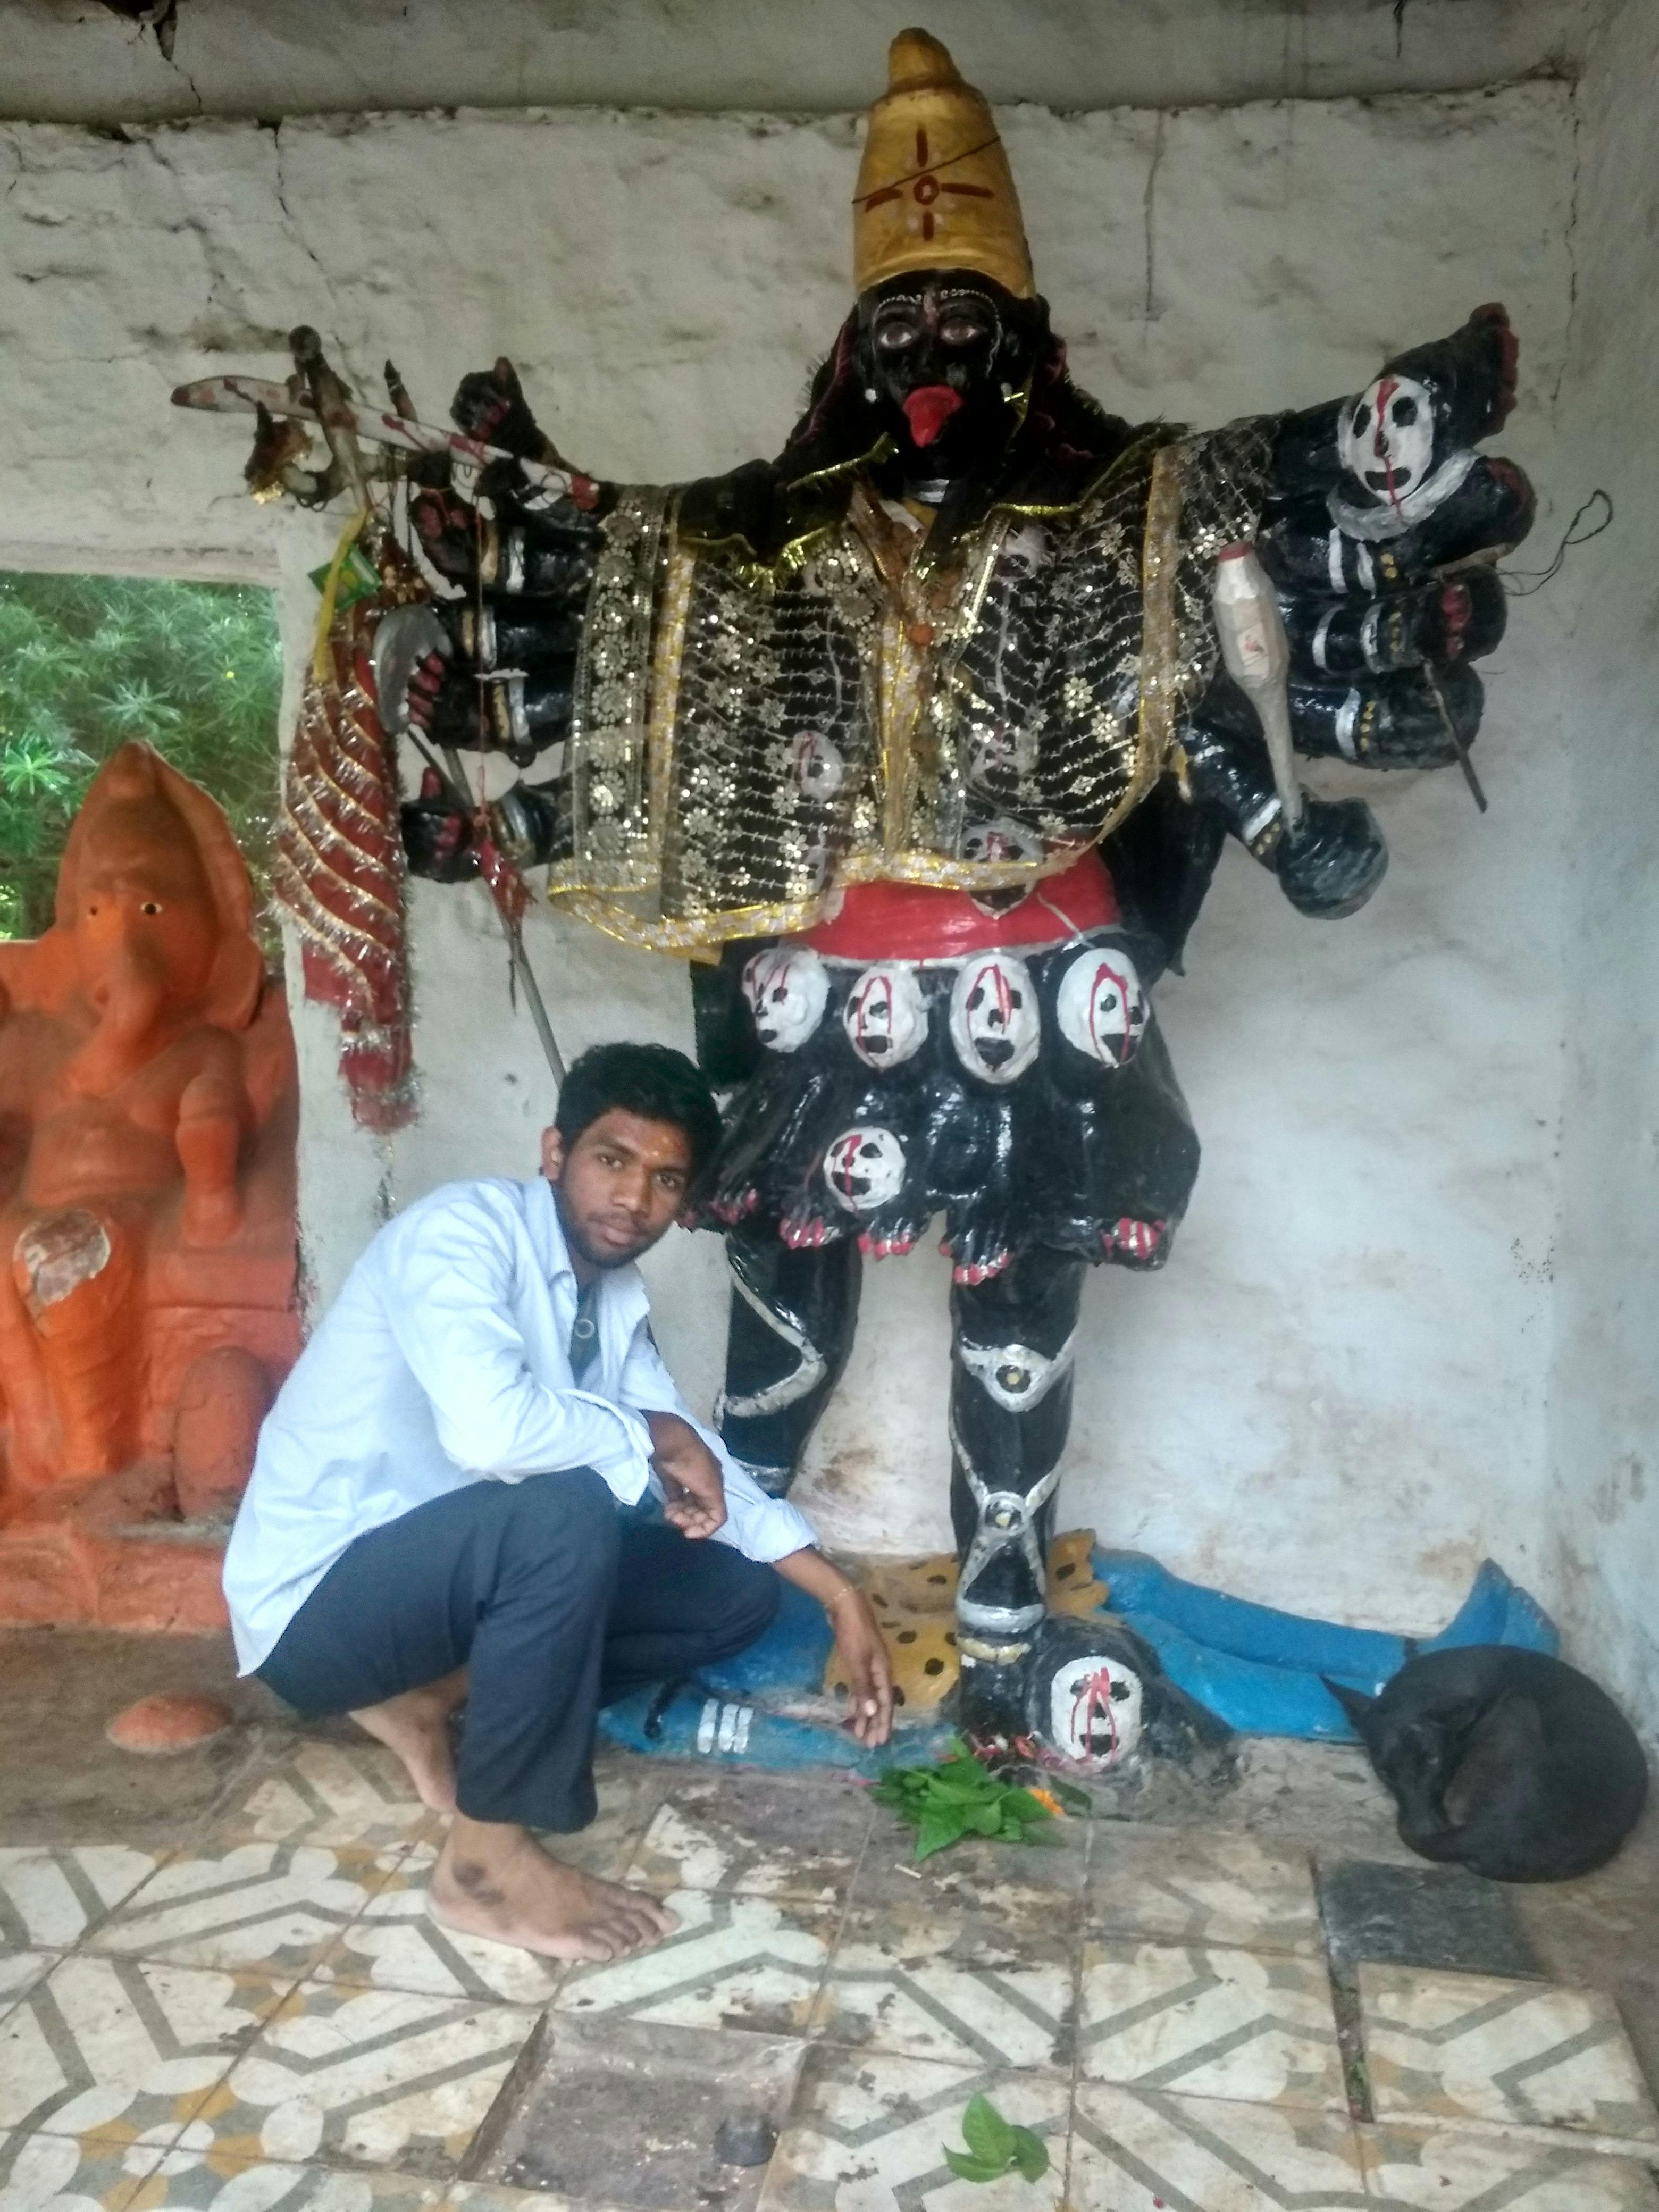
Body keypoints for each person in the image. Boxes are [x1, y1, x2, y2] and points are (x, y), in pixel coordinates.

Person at [223, 1041, 893, 1963]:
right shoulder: (460, 1237)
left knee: (732, 1591)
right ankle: (483, 1865)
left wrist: (836, 1595)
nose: (634, 1199)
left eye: (665, 1179)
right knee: (565, 1512)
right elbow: (492, 1434)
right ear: (554, 1154)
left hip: (437, 1594)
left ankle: (424, 1702)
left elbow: (691, 1456)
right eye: (612, 1161)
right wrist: (649, 1439)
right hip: (318, 1609)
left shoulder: (611, 1299)